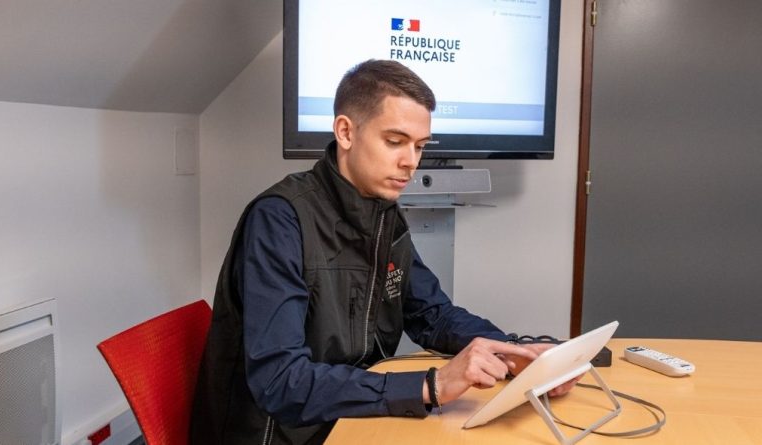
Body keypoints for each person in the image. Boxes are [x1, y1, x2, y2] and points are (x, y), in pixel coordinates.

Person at [189, 59, 576, 445]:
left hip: (345, 414)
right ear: (345, 132)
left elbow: (431, 314)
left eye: (419, 146)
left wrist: (512, 351)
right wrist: (433, 384)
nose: (410, 162)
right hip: (281, 435)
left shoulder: (383, 212)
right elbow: (281, 381)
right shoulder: (279, 220)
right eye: (394, 141)